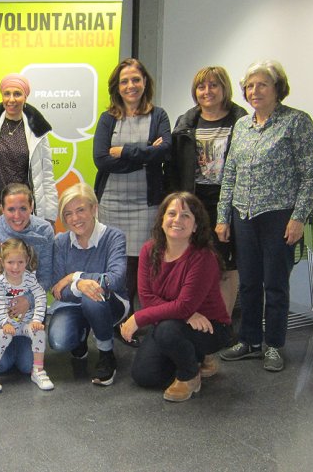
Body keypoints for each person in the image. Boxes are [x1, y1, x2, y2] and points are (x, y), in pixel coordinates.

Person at [217, 60, 313, 372]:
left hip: (279, 217)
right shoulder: (241, 127)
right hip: (243, 216)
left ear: (278, 89)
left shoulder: (296, 123)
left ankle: (273, 345)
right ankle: (249, 341)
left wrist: (299, 218)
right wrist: (223, 217)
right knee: (248, 283)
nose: (254, 91)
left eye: (262, 84)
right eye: (250, 86)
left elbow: (310, 177)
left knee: (275, 284)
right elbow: (230, 175)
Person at [121, 192, 232, 402]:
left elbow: (183, 305)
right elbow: (146, 297)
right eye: (171, 213)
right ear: (162, 219)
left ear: (196, 226)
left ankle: (189, 376)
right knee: (145, 375)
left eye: (186, 216)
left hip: (210, 327)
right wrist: (185, 314)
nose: (177, 220)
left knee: (167, 330)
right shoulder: (148, 250)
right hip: (177, 322)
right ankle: (196, 357)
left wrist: (138, 318)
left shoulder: (203, 258)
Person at [167, 66, 248, 316]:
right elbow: (173, 167)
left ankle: (223, 322)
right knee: (193, 260)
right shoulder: (185, 122)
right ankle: (194, 315)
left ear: (225, 89)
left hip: (228, 201)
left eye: (214, 85)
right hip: (193, 201)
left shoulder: (241, 121)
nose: (207, 91)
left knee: (225, 263)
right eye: (201, 87)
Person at [93, 58, 171, 315]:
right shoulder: (108, 119)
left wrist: (123, 151)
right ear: (117, 86)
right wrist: (146, 154)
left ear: (145, 82)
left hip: (146, 205)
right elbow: (101, 159)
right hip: (112, 204)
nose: (130, 86)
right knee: (117, 266)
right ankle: (117, 319)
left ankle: (139, 318)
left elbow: (165, 152)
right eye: (124, 81)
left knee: (143, 267)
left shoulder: (158, 115)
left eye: (136, 79)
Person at [49, 182, 129, 386]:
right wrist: (78, 284)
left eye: (80, 210)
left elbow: (115, 279)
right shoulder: (60, 242)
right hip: (73, 304)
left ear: (94, 209)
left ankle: (106, 353)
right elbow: (58, 289)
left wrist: (76, 276)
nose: (74, 218)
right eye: (68, 214)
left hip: (110, 302)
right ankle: (82, 332)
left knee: (92, 296)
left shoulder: (114, 237)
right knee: (59, 341)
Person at [0, 183, 53, 374]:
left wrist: (28, 300)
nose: (17, 216)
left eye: (23, 208)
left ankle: (20, 340)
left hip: (29, 307)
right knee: (2, 366)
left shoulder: (44, 230)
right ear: (1, 208)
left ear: (32, 207)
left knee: (27, 367)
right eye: (11, 209)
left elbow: (46, 274)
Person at [0, 73, 57, 228]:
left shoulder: (37, 129)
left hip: (25, 210)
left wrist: (49, 213)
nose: (11, 99)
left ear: (25, 97)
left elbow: (46, 175)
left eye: (17, 94)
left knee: (25, 252)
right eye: (7, 94)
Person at [0, 238, 54, 393]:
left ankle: (38, 370)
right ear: (2, 261)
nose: (15, 267)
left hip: (25, 323)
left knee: (39, 333)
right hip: (7, 323)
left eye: (20, 262)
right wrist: (4, 323)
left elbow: (41, 296)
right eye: (10, 262)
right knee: (3, 336)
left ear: (27, 260)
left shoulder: (30, 278)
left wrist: (36, 320)